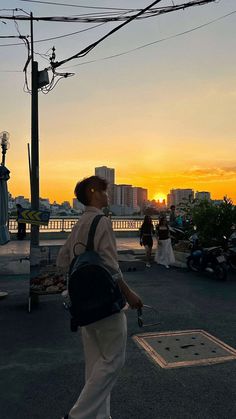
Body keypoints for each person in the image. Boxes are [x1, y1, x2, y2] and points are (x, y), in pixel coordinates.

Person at [56, 175, 143, 419]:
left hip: (83, 305)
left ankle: (100, 416)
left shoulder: (81, 222)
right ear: (93, 192)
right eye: (104, 192)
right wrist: (130, 294)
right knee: (114, 360)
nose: (107, 196)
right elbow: (111, 266)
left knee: (95, 365)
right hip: (105, 303)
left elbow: (62, 259)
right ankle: (77, 416)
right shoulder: (101, 222)